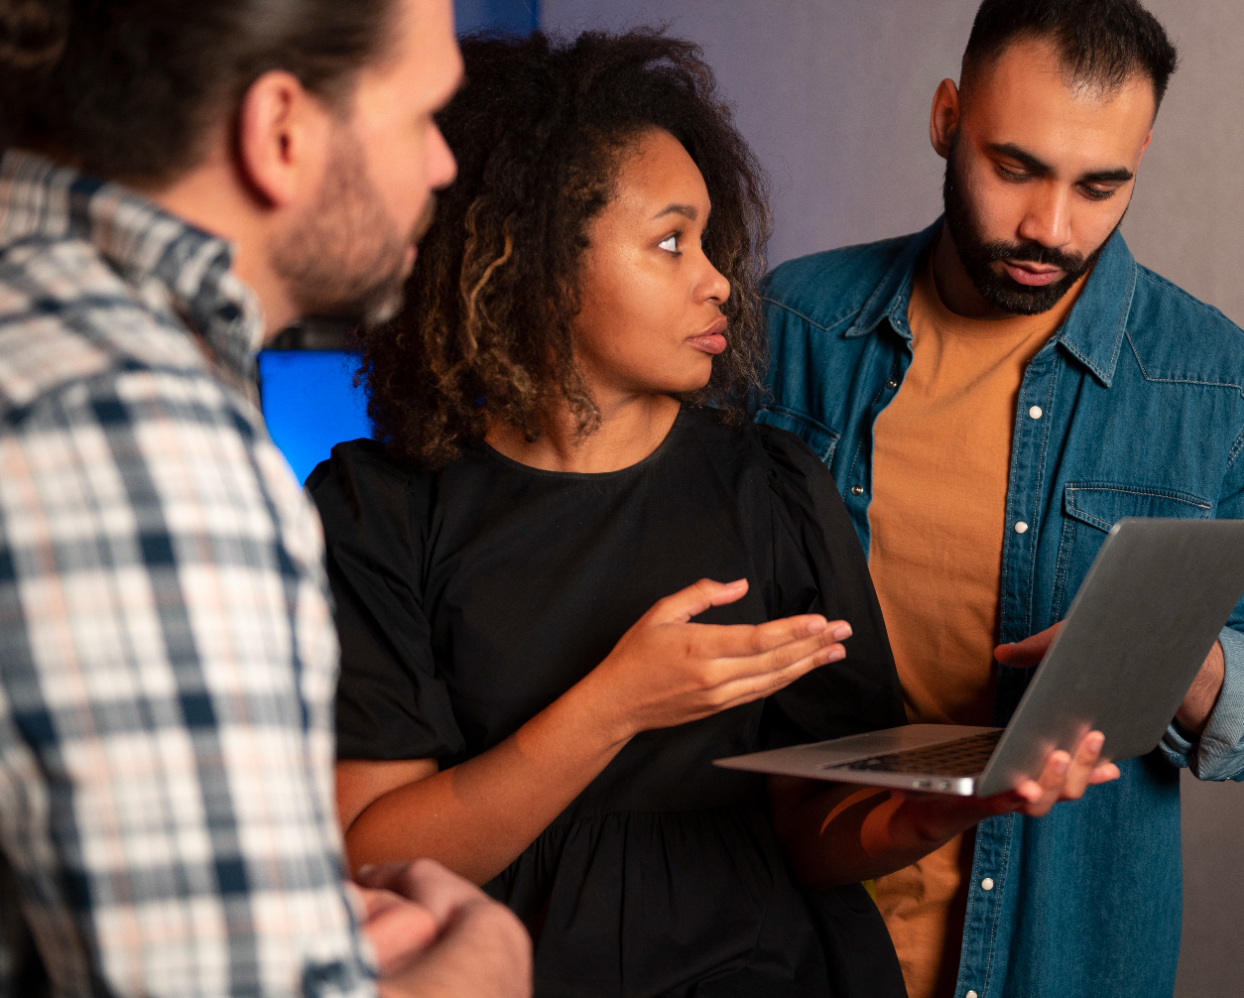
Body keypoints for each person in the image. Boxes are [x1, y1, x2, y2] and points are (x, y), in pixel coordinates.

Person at [310, 31, 1116, 998]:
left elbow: (814, 835)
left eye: (706, 239)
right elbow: (373, 858)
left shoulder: (775, 489)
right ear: (527, 261)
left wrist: (935, 812)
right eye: (668, 241)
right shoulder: (380, 512)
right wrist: (613, 706)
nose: (719, 279)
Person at [757, 1, 1244, 996]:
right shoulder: (795, 325)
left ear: (1141, 155)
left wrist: (1179, 661)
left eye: (1101, 185)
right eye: (1014, 167)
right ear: (946, 120)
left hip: (1060, 957)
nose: (1050, 229)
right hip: (785, 938)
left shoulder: (1220, 386)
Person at [0, 0, 530, 994]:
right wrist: (483, 969)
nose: (443, 167)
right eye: (423, 118)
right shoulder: (137, 435)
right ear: (282, 131)